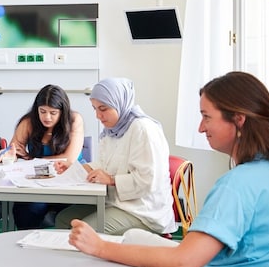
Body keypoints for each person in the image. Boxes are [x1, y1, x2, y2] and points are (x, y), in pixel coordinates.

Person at [65, 71, 269, 267]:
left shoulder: (238, 185)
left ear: (238, 121)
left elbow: (183, 263)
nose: (201, 127)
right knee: (132, 239)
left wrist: (100, 247)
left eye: (206, 117)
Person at [55, 78, 177, 236]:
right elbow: (104, 163)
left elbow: (148, 181)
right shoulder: (113, 130)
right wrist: (77, 168)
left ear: (119, 103)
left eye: (103, 108)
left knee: (80, 232)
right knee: (63, 220)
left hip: (142, 212)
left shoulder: (143, 129)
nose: (98, 115)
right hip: (116, 202)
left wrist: (111, 180)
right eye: (95, 109)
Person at [0, 84, 85, 229]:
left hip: (69, 178)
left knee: (72, 210)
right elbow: (14, 150)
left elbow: (68, 159)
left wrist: (31, 160)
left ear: (62, 112)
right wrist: (9, 156)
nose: (47, 117)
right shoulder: (28, 122)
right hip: (38, 182)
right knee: (28, 208)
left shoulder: (74, 120)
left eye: (53, 112)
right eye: (42, 111)